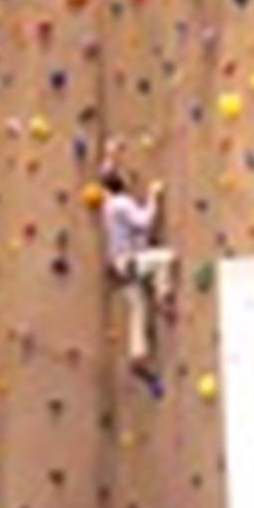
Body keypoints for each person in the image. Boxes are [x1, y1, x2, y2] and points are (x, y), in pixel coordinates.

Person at [99, 139, 176, 397]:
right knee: (166, 258)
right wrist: (154, 195)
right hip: (131, 261)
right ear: (121, 183)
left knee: (138, 310)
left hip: (120, 266)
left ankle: (138, 353)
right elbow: (144, 222)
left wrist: (111, 153)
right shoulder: (121, 204)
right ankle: (164, 296)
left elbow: (105, 175)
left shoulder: (108, 203)